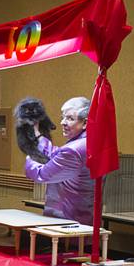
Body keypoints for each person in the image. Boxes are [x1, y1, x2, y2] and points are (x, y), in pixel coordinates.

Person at [24, 97, 95, 226]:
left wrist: (31, 153)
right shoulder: (88, 142)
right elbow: (56, 155)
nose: (62, 122)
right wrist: (36, 134)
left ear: (85, 123)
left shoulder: (74, 150)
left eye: (70, 118)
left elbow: (41, 175)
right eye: (63, 117)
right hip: (84, 218)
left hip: (68, 222)